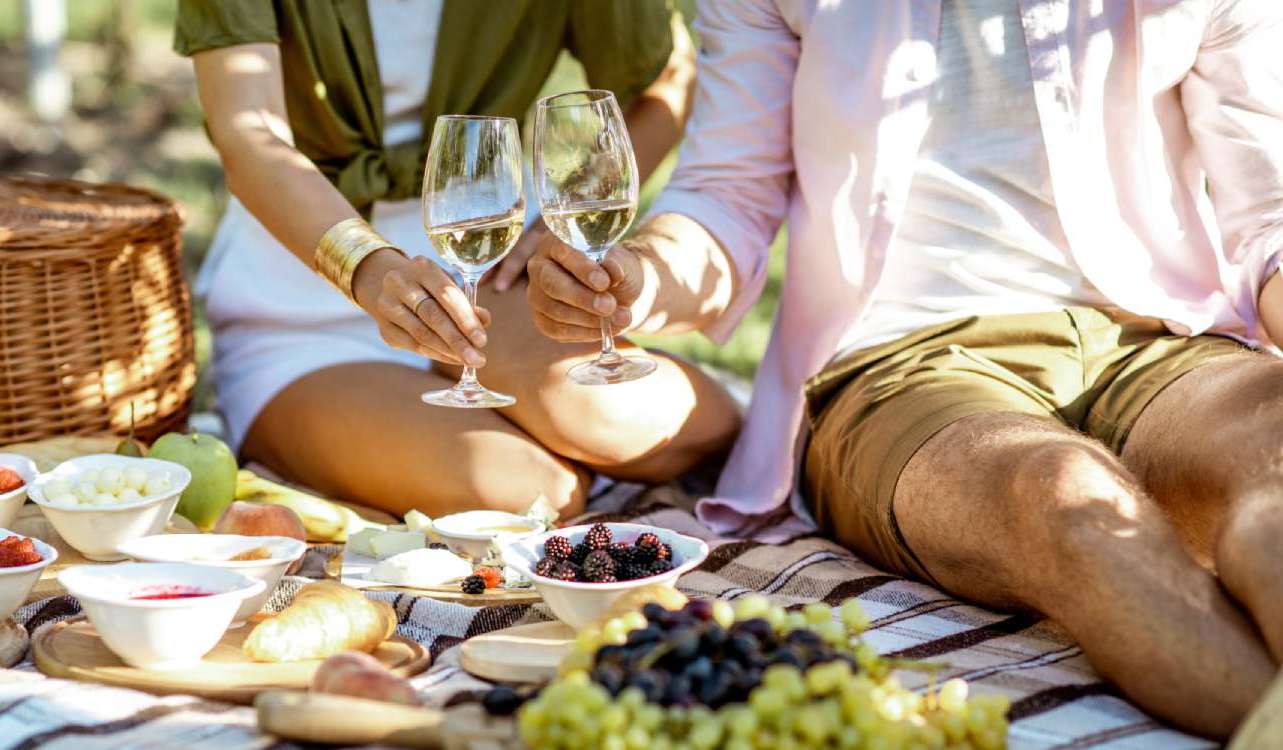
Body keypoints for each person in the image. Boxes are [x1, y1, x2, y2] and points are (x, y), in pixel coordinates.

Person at [528, 0, 1283, 737]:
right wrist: (643, 278)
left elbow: (1271, 217)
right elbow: (728, 193)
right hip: (901, 365)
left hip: (1163, 339)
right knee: (1059, 496)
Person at [173, 1, 740, 519]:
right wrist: (369, 267)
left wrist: (553, 222)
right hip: (301, 303)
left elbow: (664, 81)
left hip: (488, 269)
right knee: (526, 494)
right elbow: (248, 137)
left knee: (631, 420)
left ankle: (778, 420)